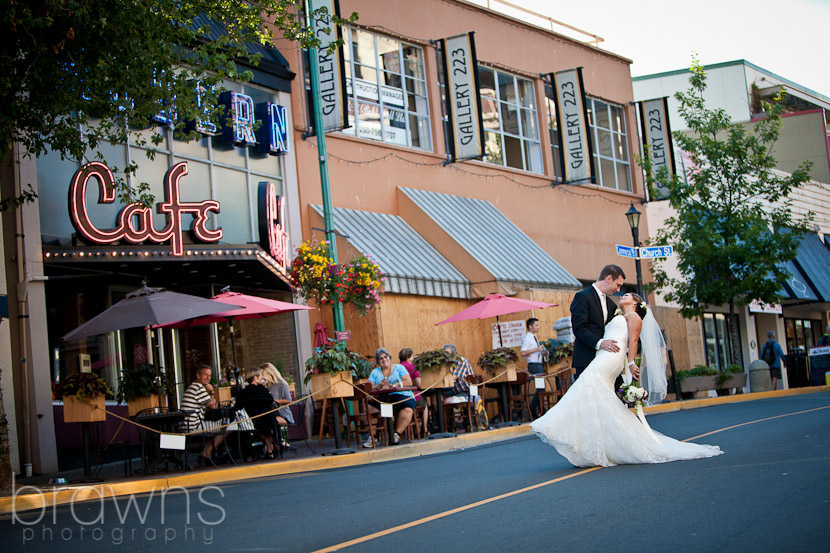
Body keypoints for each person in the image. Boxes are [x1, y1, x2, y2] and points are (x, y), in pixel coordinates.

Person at [531, 293, 723, 467]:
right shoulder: (618, 317)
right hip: (603, 355)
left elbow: (633, 341)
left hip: (612, 357)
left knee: (586, 384)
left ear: (636, 302)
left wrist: (631, 362)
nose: (623, 295)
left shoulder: (634, 317)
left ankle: (551, 423)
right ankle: (596, 442)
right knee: (596, 394)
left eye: (628, 295)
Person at [571, 265, 625, 380]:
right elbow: (579, 328)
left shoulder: (611, 304)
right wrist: (600, 343)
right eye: (618, 285)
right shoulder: (582, 297)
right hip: (586, 359)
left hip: (606, 361)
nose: (618, 290)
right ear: (609, 278)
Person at [366, 348, 415, 447]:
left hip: (401, 396)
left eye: (386, 357)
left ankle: (396, 434)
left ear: (390, 358)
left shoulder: (399, 367)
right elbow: (368, 388)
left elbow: (408, 382)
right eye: (381, 359)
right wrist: (378, 386)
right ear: (378, 361)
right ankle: (373, 437)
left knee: (408, 408)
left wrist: (395, 385)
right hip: (383, 398)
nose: (384, 360)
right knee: (370, 408)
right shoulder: (375, 372)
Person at [180, 365, 226, 462]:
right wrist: (211, 392)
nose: (208, 377)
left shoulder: (193, 386)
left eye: (209, 375)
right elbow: (213, 406)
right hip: (194, 426)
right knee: (226, 425)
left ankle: (206, 453)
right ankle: (206, 454)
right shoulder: (198, 387)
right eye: (205, 375)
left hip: (187, 425)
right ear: (198, 375)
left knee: (217, 426)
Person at [234, 367, 279, 459]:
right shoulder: (263, 390)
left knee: (258, 430)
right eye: (260, 376)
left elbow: (237, 407)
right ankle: (271, 449)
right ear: (255, 378)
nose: (262, 378)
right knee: (271, 427)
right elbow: (271, 401)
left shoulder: (243, 392)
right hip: (268, 420)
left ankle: (270, 450)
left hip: (253, 421)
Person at [260, 362, 295, 448]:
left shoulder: (281, 384)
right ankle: (275, 442)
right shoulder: (266, 386)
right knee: (261, 422)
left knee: (270, 420)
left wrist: (275, 401)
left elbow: (288, 400)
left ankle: (276, 442)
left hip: (282, 413)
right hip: (271, 412)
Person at [520, 317, 548, 417]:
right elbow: (523, 352)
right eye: (536, 325)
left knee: (541, 388)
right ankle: (535, 408)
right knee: (541, 388)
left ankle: (539, 408)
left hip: (538, 364)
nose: (538, 327)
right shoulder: (528, 338)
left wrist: (542, 352)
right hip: (534, 365)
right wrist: (537, 349)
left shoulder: (533, 337)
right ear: (530, 327)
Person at [400, 347, 429, 437]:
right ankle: (424, 429)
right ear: (408, 357)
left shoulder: (397, 367)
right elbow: (419, 384)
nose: (413, 358)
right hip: (413, 395)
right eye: (412, 356)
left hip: (400, 396)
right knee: (425, 405)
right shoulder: (413, 367)